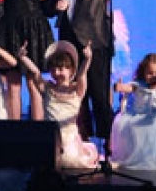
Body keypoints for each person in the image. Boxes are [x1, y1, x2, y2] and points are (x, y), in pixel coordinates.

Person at [56, 0, 150, 151]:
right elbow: (47, 7)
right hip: (69, 48)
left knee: (99, 95)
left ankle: (108, 143)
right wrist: (56, 5)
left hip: (95, 45)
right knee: (76, 96)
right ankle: (81, 140)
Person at [0, 0, 74, 120]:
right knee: (13, 85)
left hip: (34, 31)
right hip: (10, 29)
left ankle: (37, 130)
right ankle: (14, 130)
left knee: (34, 82)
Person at [20, 40, 99, 168]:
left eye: (61, 69)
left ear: (71, 70)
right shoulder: (47, 88)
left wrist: (87, 59)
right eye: (53, 69)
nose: (57, 73)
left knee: (68, 159)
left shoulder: (76, 90)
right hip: (50, 139)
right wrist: (23, 57)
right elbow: (35, 72)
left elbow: (82, 74)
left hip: (69, 141)